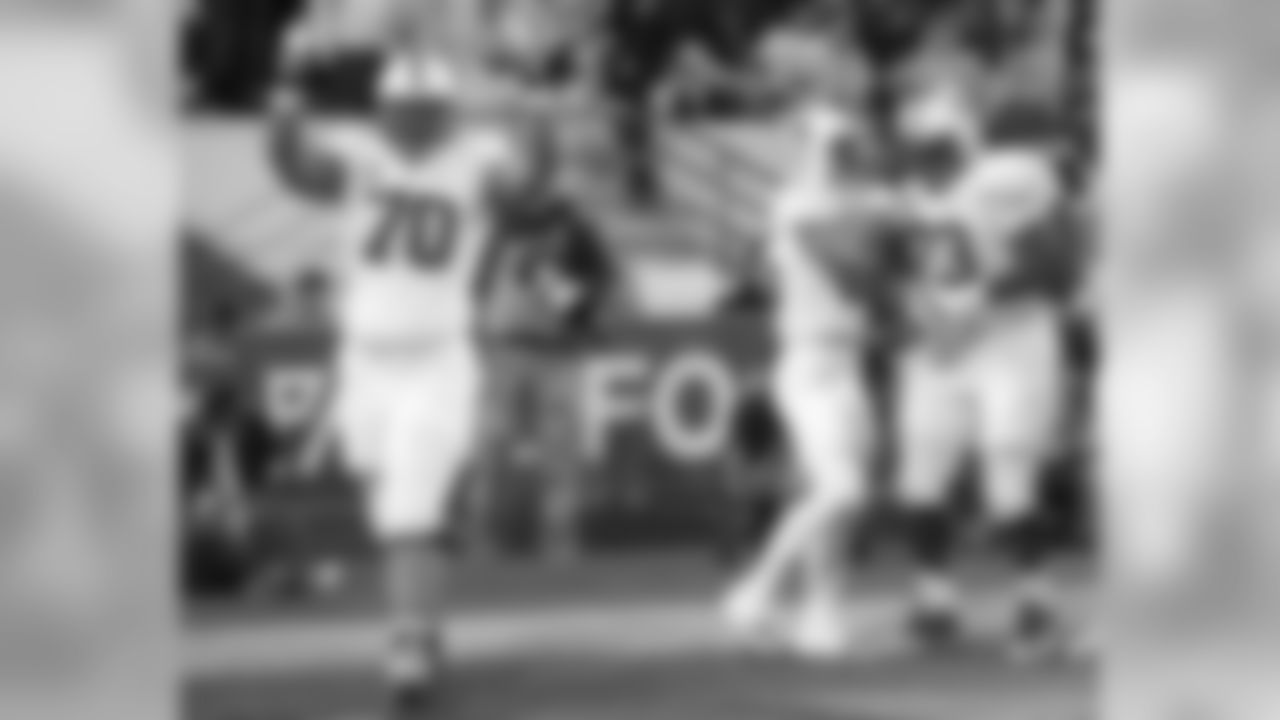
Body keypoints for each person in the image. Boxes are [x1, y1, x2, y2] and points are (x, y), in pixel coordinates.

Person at [265, 32, 545, 713]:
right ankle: (423, 621)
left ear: (447, 108)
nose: (419, 120)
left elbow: (527, 192)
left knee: (409, 510)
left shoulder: (476, 159)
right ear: (384, 107)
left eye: (429, 107)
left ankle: (407, 645)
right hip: (363, 361)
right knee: (389, 505)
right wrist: (284, 111)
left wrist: (538, 127)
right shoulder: (360, 156)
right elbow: (294, 170)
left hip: (436, 356)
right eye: (407, 107)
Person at [719, 78, 901, 661]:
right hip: (811, 362)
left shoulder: (847, 201)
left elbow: (884, 233)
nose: (850, 158)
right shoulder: (798, 203)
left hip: (846, 359)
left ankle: (821, 612)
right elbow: (854, 271)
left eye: (849, 148)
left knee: (837, 495)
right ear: (818, 154)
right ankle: (756, 588)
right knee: (843, 489)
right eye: (839, 149)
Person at [892, 89, 1071, 659]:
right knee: (920, 477)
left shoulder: (1007, 179)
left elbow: (1057, 267)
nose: (928, 160)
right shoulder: (906, 195)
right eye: (918, 149)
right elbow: (912, 270)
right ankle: (935, 600)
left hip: (1010, 343)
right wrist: (915, 314)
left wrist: (976, 297)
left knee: (1007, 480)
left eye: (938, 147)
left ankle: (1037, 604)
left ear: (965, 142)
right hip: (943, 346)